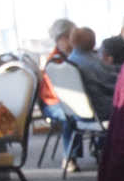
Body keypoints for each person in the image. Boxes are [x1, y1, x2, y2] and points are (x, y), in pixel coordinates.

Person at [40, 19, 80, 169]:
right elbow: (59, 93)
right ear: (62, 39)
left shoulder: (72, 55)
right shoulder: (55, 61)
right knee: (70, 115)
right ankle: (69, 157)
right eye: (72, 36)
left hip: (70, 101)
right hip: (53, 103)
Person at [68, 27, 118, 121]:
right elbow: (111, 84)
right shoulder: (93, 63)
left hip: (76, 112)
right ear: (93, 42)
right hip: (99, 110)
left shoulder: (70, 60)